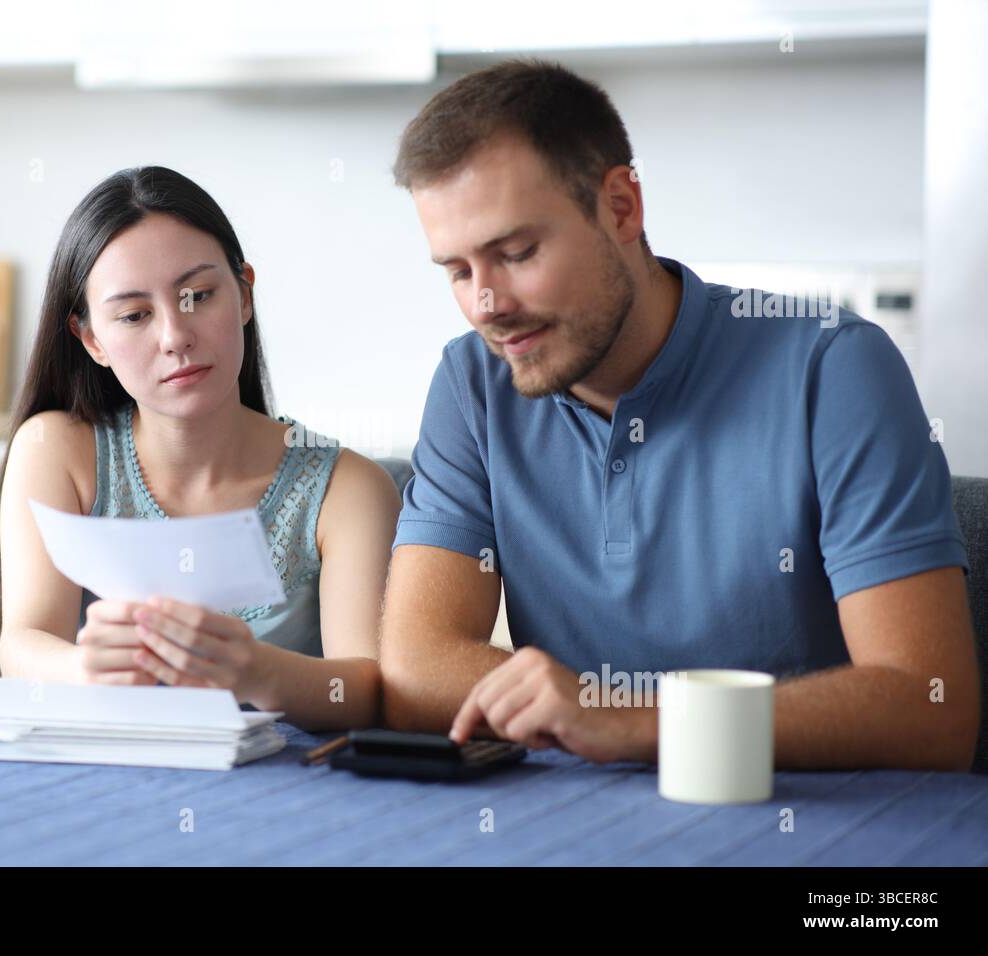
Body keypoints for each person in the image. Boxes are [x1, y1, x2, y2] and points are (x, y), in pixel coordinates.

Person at [379, 59, 980, 771]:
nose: (486, 304)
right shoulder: (472, 383)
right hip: (581, 821)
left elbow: (932, 708)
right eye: (457, 271)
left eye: (515, 253)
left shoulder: (835, 369)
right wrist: (598, 717)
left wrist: (629, 719)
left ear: (622, 208)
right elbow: (415, 672)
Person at [0, 166, 401, 731]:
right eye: (134, 315)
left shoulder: (348, 489)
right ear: (91, 340)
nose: (174, 337)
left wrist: (254, 670)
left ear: (245, 296)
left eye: (198, 296)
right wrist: (89, 669)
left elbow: (370, 692)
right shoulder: (54, 449)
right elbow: (23, 645)